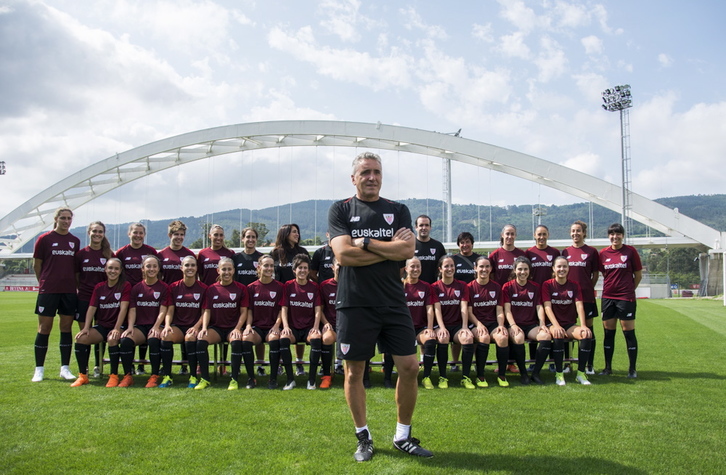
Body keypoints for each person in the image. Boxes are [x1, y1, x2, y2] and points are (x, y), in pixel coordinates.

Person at [329, 151, 432, 462]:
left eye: (376, 172)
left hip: (392, 301)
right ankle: (364, 437)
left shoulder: (397, 210)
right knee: (354, 373)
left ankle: (403, 436)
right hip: (355, 303)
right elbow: (344, 256)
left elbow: (409, 249)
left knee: (411, 367)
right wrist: (390, 250)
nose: (371, 177)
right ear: (354, 178)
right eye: (365, 173)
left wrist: (366, 243)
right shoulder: (341, 209)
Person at [32, 207, 81, 382]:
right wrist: (44, 282)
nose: (66, 221)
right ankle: (39, 369)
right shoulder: (44, 239)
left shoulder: (74, 241)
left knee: (66, 328)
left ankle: (65, 368)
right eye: (63, 218)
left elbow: (75, 269)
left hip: (68, 291)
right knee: (44, 328)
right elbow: (37, 265)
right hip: (49, 290)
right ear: (56, 219)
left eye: (69, 218)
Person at [70, 258, 132, 387]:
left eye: (116, 269)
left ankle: (114, 375)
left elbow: (124, 308)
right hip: (102, 326)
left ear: (120, 271)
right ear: (105, 269)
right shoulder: (99, 287)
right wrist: (86, 327)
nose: (112, 271)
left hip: (119, 326)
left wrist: (116, 328)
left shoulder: (125, 286)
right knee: (81, 339)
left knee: (112, 339)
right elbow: (92, 308)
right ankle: (83, 376)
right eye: (110, 268)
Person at [194, 257, 250, 390]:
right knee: (201, 340)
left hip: (233, 328)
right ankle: (205, 378)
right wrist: (204, 328)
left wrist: (237, 328)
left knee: (236, 341)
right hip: (216, 328)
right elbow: (206, 311)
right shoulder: (211, 289)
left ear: (233, 271)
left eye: (229, 269)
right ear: (218, 270)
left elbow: (244, 312)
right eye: (223, 269)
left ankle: (234, 379)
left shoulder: (241, 288)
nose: (226, 272)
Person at [118, 255, 171, 388]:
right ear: (142, 269)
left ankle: (153, 376)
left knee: (153, 340)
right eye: (148, 266)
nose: (151, 269)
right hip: (140, 327)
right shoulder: (136, 288)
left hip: (156, 325)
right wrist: (130, 327)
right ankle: (128, 376)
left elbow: (163, 310)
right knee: (125, 340)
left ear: (158, 269)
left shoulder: (164, 287)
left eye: (154, 266)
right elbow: (133, 310)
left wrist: (156, 326)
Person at [541, 256, 594, 386]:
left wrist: (583, 326)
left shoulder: (574, 285)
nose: (562, 269)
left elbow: (579, 305)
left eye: (564, 266)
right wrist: (556, 325)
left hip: (569, 324)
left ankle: (581, 373)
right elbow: (547, 307)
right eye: (559, 266)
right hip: (553, 324)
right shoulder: (547, 284)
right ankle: (559, 374)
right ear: (553, 268)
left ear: (568, 268)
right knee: (558, 333)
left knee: (586, 334)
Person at [598, 223, 642, 378]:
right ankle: (608, 368)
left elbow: (638, 274)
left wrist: (629, 290)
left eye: (618, 234)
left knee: (628, 333)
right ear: (609, 236)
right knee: (608, 333)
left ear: (622, 235)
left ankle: (632, 369)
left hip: (625, 298)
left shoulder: (630, 251)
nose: (614, 237)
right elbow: (603, 273)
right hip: (608, 297)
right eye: (612, 234)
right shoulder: (603, 253)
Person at [158, 255, 207, 388]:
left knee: (190, 337)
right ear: (181, 268)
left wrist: (197, 326)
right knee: (166, 335)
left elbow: (205, 312)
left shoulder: (203, 288)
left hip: (195, 326)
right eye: (187, 265)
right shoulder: (173, 287)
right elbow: (170, 310)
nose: (189, 268)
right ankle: (167, 376)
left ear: (197, 268)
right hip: (179, 326)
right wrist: (167, 325)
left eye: (192, 265)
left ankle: (193, 376)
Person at [115, 222, 158, 375]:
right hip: (128, 295)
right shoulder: (121, 252)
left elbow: (157, 271)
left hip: (147, 293)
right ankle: (131, 365)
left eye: (141, 233)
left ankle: (141, 364)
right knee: (130, 328)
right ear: (129, 234)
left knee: (146, 324)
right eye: (135, 232)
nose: (138, 235)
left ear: (144, 235)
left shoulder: (150, 251)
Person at [502, 256, 551, 385]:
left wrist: (542, 324)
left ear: (529, 270)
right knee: (518, 338)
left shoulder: (535, 287)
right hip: (514, 325)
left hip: (531, 325)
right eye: (520, 269)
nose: (522, 272)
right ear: (514, 270)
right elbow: (507, 309)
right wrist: (512, 325)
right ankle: (523, 373)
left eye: (525, 269)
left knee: (546, 336)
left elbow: (539, 306)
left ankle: (536, 373)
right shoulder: (507, 287)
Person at [279, 254, 325, 390]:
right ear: (294, 270)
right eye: (300, 268)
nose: (303, 270)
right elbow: (284, 308)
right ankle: (290, 379)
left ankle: (311, 380)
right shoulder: (288, 286)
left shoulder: (314, 287)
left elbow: (318, 309)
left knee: (316, 339)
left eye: (305, 268)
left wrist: (316, 327)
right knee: (284, 339)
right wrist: (286, 326)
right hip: (293, 327)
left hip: (308, 328)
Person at [75, 221, 114, 378]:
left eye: (100, 231)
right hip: (84, 298)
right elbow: (77, 277)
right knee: (85, 333)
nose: (97, 234)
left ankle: (98, 365)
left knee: (101, 332)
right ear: (89, 232)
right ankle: (83, 368)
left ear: (104, 234)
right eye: (94, 231)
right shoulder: (81, 254)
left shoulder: (109, 254)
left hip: (104, 301)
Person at [270, 223, 310, 375]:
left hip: (299, 296)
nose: (297, 234)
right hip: (281, 296)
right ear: (285, 234)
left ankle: (299, 363)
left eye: (297, 232)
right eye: (294, 232)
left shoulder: (302, 251)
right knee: (283, 329)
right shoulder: (276, 253)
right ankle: (280, 363)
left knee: (298, 327)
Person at [430, 255, 475, 389]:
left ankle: (466, 377)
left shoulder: (462, 286)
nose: (449, 269)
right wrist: (442, 328)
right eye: (446, 266)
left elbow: (464, 307)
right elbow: (436, 310)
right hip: (440, 325)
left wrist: (465, 327)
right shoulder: (434, 287)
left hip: (457, 326)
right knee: (443, 338)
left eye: (452, 266)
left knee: (467, 338)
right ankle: (443, 377)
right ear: (440, 269)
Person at [561, 220, 600, 374]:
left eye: (578, 231)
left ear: (584, 233)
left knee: (588, 330)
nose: (575, 234)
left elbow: (595, 274)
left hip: (586, 297)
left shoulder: (591, 252)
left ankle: (589, 364)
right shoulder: (565, 252)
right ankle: (567, 363)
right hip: (568, 298)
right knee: (567, 329)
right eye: (573, 231)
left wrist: (587, 288)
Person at [467, 256, 509, 388]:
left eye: (487, 267)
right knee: (483, 337)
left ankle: (502, 375)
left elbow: (499, 311)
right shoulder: (469, 287)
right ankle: (480, 375)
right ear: (475, 268)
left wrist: (501, 325)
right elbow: (468, 312)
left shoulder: (496, 287)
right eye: (481, 267)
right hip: (475, 323)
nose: (484, 269)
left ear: (491, 269)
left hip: (492, 323)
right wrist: (478, 324)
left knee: (502, 337)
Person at [245, 255, 284, 389]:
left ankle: (272, 379)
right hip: (256, 327)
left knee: (274, 339)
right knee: (246, 339)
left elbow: (281, 310)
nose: (269, 268)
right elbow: (249, 310)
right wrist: (248, 325)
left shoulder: (279, 287)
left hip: (272, 326)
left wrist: (277, 325)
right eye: (266, 265)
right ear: (259, 267)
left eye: (271, 266)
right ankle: (251, 378)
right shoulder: (251, 287)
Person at [401, 257, 439, 391]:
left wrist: (429, 328)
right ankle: (393, 377)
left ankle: (426, 377)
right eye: (412, 266)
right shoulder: (400, 285)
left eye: (418, 266)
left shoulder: (426, 286)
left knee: (430, 340)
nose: (416, 269)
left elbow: (429, 308)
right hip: (404, 328)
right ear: (406, 269)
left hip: (420, 328)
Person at [232, 227, 266, 376]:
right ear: (242, 239)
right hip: (239, 301)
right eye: (248, 237)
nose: (250, 240)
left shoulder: (261, 257)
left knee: (257, 331)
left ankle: (260, 365)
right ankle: (237, 364)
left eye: (253, 237)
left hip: (257, 300)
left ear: (256, 240)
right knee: (240, 332)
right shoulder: (237, 258)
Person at [318, 257, 340, 388]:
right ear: (332, 267)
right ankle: (327, 375)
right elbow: (319, 310)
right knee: (327, 338)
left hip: (347, 326)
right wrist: (326, 323)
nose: (340, 267)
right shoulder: (325, 286)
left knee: (359, 337)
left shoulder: (352, 284)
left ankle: (357, 374)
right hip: (330, 325)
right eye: (338, 265)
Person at [158, 220, 195, 284]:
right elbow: (158, 277)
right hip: (167, 291)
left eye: (182, 234)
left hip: (184, 292)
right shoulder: (161, 255)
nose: (179, 237)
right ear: (170, 235)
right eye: (176, 234)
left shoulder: (190, 255)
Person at [414, 215, 446, 284]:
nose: (424, 228)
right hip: (413, 289)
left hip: (433, 288)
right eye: (421, 225)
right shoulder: (409, 245)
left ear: (430, 227)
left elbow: (444, 268)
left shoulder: (438, 246)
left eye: (426, 225)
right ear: (416, 227)